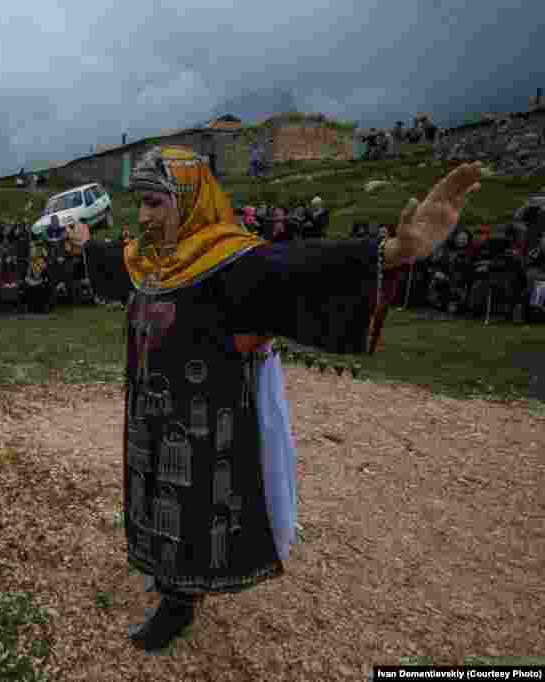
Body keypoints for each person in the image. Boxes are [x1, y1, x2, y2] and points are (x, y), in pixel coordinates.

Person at [65, 145, 481, 651]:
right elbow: (116, 260)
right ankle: (168, 573)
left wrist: (394, 252)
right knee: (153, 490)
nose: (144, 215)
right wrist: (84, 242)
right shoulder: (150, 257)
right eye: (141, 203)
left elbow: (299, 266)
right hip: (150, 411)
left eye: (154, 202)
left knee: (193, 500)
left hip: (202, 418)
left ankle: (180, 599)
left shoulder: (231, 260)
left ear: (190, 200)